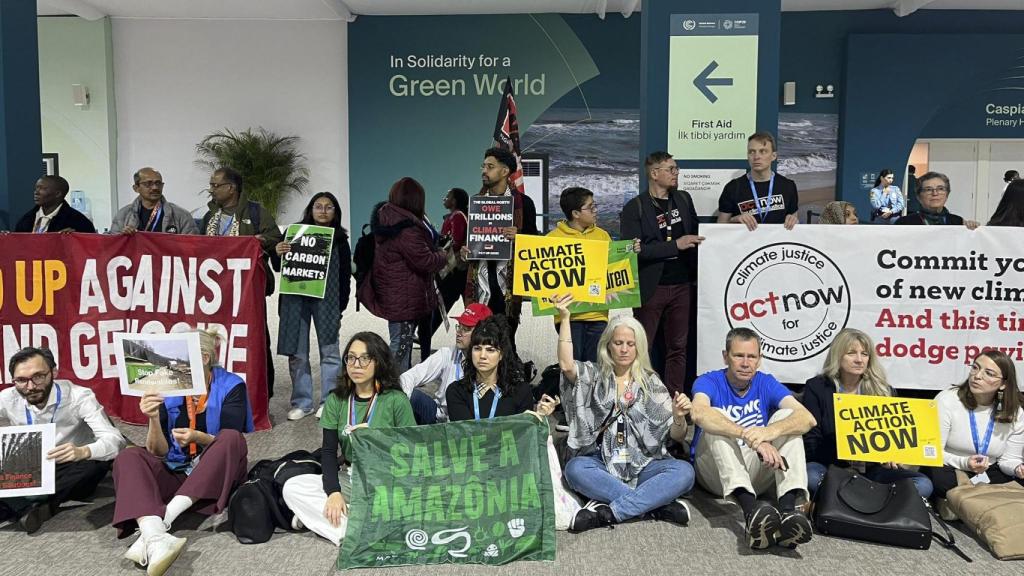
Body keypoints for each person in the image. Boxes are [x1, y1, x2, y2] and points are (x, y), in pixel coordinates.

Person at [112, 329, 254, 576]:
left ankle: (160, 523)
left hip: (217, 473)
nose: (170, 363)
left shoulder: (232, 385)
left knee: (231, 438)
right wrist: (154, 419)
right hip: (178, 471)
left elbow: (228, 443)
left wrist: (198, 438)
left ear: (205, 358)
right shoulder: (167, 388)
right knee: (129, 456)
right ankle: (157, 537)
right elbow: (158, 452)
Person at [553, 294, 694, 532]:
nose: (625, 349)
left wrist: (679, 417)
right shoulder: (594, 375)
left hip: (643, 463)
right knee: (575, 469)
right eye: (618, 343)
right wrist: (565, 317)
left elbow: (676, 436)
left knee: (684, 472)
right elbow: (567, 365)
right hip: (601, 461)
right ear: (608, 344)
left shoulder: (652, 382)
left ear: (639, 347)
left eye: (630, 344)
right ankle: (655, 506)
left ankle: (609, 513)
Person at [280, 332, 416, 546]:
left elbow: (411, 452)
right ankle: (347, 531)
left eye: (364, 358)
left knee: (410, 508)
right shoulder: (337, 399)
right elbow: (328, 451)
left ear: (378, 362)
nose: (356, 365)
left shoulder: (396, 400)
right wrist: (333, 492)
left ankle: (328, 519)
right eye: (351, 358)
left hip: (387, 479)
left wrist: (377, 438)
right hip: (351, 476)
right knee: (293, 486)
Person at [691, 328, 816, 550]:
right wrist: (750, 437)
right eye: (739, 355)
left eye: (752, 356)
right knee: (716, 419)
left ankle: (787, 514)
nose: (745, 363)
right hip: (715, 473)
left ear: (759, 360)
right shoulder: (709, 380)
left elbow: (807, 418)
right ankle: (751, 513)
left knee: (788, 417)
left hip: (755, 469)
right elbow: (699, 413)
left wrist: (769, 433)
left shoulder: (765, 382)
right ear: (725, 356)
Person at [0, 347, 126, 534]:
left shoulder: (79, 396)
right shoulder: (7, 398)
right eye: (21, 380)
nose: (30, 386)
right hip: (29, 467)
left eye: (39, 376)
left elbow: (115, 440)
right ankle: (28, 508)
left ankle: (30, 504)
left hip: (69, 464)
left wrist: (82, 452)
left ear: (54, 373)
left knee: (96, 464)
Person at [802, 329, 932, 498]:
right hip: (831, 468)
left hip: (874, 471)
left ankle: (850, 498)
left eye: (864, 354)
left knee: (923, 484)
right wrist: (845, 447)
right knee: (810, 475)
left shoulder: (884, 390)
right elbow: (811, 443)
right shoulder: (817, 387)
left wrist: (895, 457)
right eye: (851, 353)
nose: (859, 360)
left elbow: (897, 444)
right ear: (837, 356)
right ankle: (872, 499)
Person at [620, 152, 702, 396]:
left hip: (683, 284)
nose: (676, 173)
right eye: (671, 169)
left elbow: (697, 233)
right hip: (651, 287)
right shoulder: (635, 207)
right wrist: (674, 246)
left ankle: (674, 399)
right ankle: (640, 397)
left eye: (676, 169)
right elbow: (633, 250)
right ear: (654, 174)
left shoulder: (684, 199)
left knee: (678, 347)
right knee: (642, 347)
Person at [200, 166, 284, 398]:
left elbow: (275, 237)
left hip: (248, 289)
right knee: (217, 338)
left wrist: (257, 241)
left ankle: (262, 393)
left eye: (216, 185)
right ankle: (217, 386)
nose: (212, 189)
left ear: (231, 188)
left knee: (254, 337)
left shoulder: (256, 212)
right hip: (216, 290)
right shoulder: (210, 216)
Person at [356, 177, 447, 372]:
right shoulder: (406, 228)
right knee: (401, 347)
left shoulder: (391, 218)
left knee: (401, 343)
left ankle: (398, 389)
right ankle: (393, 392)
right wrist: (443, 255)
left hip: (398, 291)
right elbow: (425, 261)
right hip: (404, 295)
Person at [276, 192, 352, 421]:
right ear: (310, 210)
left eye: (329, 207)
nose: (323, 211)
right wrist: (277, 252)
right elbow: (280, 267)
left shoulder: (340, 240)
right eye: (318, 206)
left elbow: (345, 275)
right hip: (295, 301)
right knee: (297, 353)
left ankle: (329, 400)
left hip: (327, 303)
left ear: (335, 212)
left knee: (329, 352)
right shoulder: (294, 233)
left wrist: (341, 305)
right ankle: (302, 401)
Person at [923, 350, 1024, 506]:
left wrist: (1017, 468)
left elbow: (1008, 460)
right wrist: (965, 462)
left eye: (989, 373)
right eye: (975, 368)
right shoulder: (948, 399)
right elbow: (931, 452)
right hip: (950, 465)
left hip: (989, 469)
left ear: (1003, 384)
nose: (977, 376)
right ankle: (975, 501)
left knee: (1016, 481)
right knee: (939, 479)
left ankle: (962, 503)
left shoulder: (1015, 412)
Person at [463, 147, 539, 347]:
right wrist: (464, 251)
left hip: (508, 283)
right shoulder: (475, 202)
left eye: (490, 167)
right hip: (480, 280)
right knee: (478, 336)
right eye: (483, 166)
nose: (484, 171)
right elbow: (467, 240)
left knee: (506, 338)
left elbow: (535, 241)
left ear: (505, 171)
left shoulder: (524, 204)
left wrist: (519, 236)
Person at [547, 186, 617, 362]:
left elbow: (614, 267)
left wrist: (631, 250)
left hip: (598, 315)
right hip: (568, 316)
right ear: (576, 213)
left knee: (596, 367)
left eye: (594, 206)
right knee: (572, 365)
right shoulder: (552, 239)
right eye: (591, 207)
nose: (595, 210)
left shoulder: (602, 236)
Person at [401, 303, 492, 425]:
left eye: (466, 329)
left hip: (472, 424)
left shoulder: (492, 363)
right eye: (459, 326)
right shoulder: (447, 354)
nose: (459, 332)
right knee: (407, 395)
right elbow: (410, 376)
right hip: (440, 419)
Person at [445, 315, 535, 421]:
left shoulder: (521, 392)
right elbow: (465, 432)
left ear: (501, 354)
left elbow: (522, 433)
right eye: (477, 349)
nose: (482, 356)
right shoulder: (456, 391)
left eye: (490, 350)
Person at [421, 187, 471, 353]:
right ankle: (425, 335)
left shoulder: (457, 216)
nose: (444, 198)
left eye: (447, 196)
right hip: (455, 269)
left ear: (455, 200)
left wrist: (439, 247)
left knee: (443, 301)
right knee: (446, 302)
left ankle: (425, 335)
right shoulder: (454, 216)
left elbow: (455, 241)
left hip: (454, 269)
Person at [716, 132, 799, 230]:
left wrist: (793, 221)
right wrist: (735, 219)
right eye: (752, 152)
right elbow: (720, 227)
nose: (756, 157)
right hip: (744, 243)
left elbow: (795, 222)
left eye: (763, 151)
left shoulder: (788, 186)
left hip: (777, 244)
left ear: (773, 156)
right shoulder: (733, 187)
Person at [109, 167, 199, 234]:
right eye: (148, 184)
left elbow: (193, 246)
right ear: (136, 188)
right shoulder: (123, 215)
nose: (155, 187)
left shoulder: (181, 215)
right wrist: (122, 237)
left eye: (158, 183)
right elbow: (112, 245)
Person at [896, 171, 979, 228]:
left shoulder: (958, 222)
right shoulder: (904, 223)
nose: (935, 193)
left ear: (947, 194)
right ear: (919, 196)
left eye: (940, 189)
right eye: (928, 189)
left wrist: (974, 229)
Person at [14, 175, 96, 233]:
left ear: (58, 194)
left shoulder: (78, 222)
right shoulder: (26, 219)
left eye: (43, 188)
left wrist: (74, 237)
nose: (36, 192)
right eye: (36, 188)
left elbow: (90, 249)